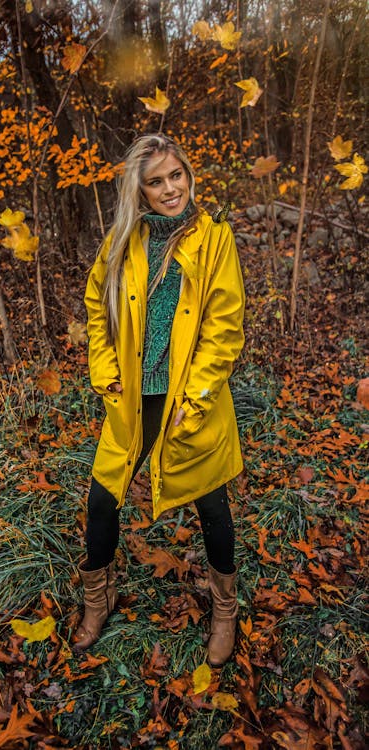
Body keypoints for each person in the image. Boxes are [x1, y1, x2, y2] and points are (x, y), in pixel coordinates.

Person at [73, 133, 245, 667]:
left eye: (176, 175)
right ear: (139, 191)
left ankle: (224, 611)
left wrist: (194, 400)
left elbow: (223, 327)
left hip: (191, 399)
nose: (170, 188)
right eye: (156, 181)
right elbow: (97, 308)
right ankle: (96, 601)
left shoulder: (215, 239)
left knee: (211, 504)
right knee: (102, 499)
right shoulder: (123, 241)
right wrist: (105, 373)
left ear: (189, 175)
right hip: (133, 398)